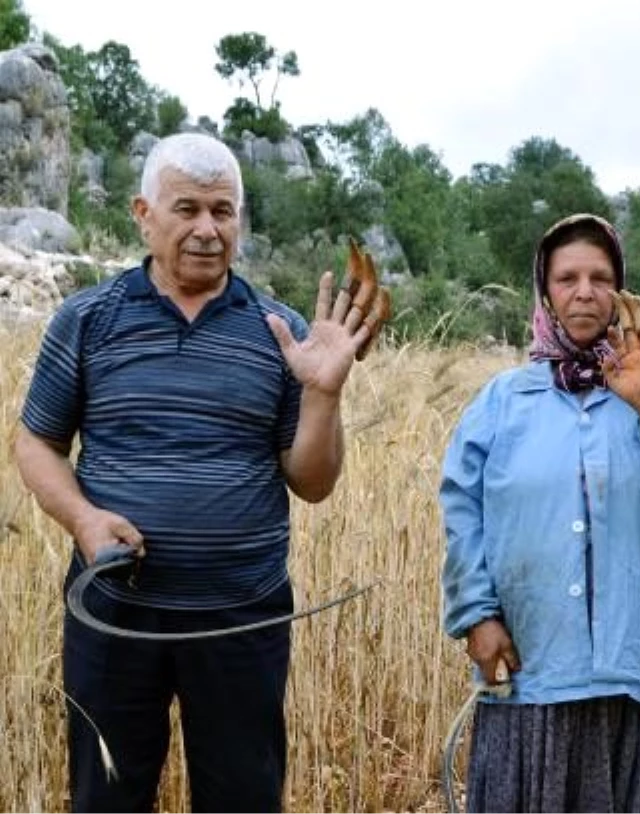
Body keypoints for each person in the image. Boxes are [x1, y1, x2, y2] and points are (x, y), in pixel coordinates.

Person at [14, 132, 386, 812]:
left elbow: (313, 482)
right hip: (114, 616)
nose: (208, 230)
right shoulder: (88, 320)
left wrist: (325, 393)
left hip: (242, 620)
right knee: (105, 800)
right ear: (143, 214)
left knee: (243, 798)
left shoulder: (280, 330)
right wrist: (85, 518)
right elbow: (36, 445)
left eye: (223, 211)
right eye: (187, 209)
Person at [439, 213, 640, 812]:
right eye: (567, 277)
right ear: (545, 290)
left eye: (601, 277)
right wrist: (476, 614)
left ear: (620, 291)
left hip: (635, 660)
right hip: (531, 658)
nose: (585, 290)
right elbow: (462, 509)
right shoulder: (504, 401)